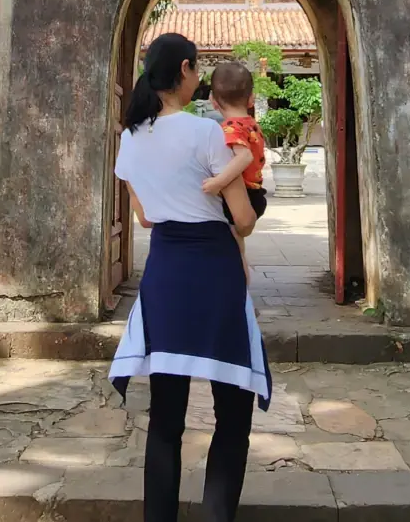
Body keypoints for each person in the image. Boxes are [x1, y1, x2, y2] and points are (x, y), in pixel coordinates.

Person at [110, 33, 268, 522]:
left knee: (165, 418)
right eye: (196, 69)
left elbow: (145, 219)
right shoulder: (206, 134)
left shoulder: (130, 137)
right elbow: (242, 220)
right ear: (183, 70)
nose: (199, 79)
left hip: (166, 274)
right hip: (214, 273)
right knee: (233, 413)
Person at [201, 62, 268, 281]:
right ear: (251, 99)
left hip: (244, 195)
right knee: (238, 249)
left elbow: (245, 157)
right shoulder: (251, 124)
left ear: (212, 101)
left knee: (235, 251)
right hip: (256, 192)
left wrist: (218, 182)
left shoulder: (231, 128)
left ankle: (242, 298)